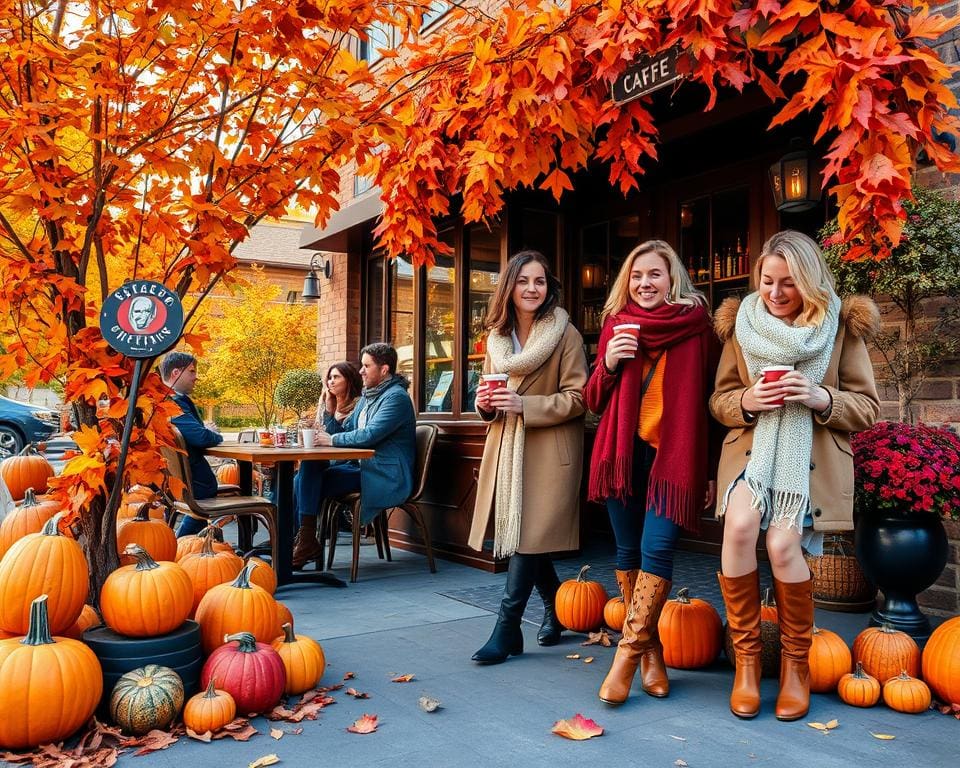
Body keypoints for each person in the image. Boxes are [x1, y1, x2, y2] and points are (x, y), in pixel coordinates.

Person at [710, 230, 879, 721]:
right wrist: (746, 400)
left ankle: (796, 666)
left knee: (783, 546)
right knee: (740, 526)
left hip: (807, 462)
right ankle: (746, 663)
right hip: (751, 456)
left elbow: (866, 408)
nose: (777, 293)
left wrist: (820, 397)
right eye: (767, 281)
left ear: (809, 281)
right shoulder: (741, 324)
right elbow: (720, 400)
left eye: (788, 283)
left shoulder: (839, 326)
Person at [585, 240, 719, 705]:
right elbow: (592, 399)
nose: (645, 283)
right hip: (622, 455)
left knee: (656, 547)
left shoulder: (699, 329)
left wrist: (710, 471)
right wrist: (607, 363)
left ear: (672, 279)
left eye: (655, 275)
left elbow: (712, 406)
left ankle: (624, 657)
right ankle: (651, 654)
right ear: (628, 280)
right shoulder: (615, 325)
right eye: (637, 275)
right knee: (626, 551)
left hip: (674, 458)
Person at [469, 250, 588, 665]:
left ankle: (507, 629)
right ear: (510, 288)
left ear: (548, 287)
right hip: (507, 448)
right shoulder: (497, 341)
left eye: (539, 281)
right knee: (527, 538)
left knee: (526, 537)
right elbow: (489, 402)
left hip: (550, 451)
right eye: (524, 281)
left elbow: (579, 399)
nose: (532, 289)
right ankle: (558, 608)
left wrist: (526, 406)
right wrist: (485, 403)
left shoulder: (565, 333)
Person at [291, 343, 416, 569]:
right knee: (304, 473)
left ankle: (301, 541)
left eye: (366, 366)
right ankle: (301, 540)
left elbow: (369, 435)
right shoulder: (369, 397)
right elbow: (344, 432)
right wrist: (330, 413)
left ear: (384, 369)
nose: (361, 371)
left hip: (384, 474)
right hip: (361, 468)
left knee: (304, 480)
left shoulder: (396, 398)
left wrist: (331, 440)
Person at [293, 361, 362, 540]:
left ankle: (303, 539)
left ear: (349, 380)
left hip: (352, 465)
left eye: (336, 377)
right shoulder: (329, 404)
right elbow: (322, 436)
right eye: (329, 378)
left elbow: (346, 440)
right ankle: (291, 536)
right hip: (333, 463)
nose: (331, 382)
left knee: (302, 481)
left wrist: (331, 416)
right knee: (296, 479)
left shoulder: (358, 407)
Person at [160, 350, 223, 536]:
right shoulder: (172, 402)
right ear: (175, 373)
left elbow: (195, 431)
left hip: (183, 484)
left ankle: (189, 548)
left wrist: (204, 430)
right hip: (198, 487)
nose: (196, 377)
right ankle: (180, 546)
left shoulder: (164, 400)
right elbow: (200, 437)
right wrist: (214, 434)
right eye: (192, 372)